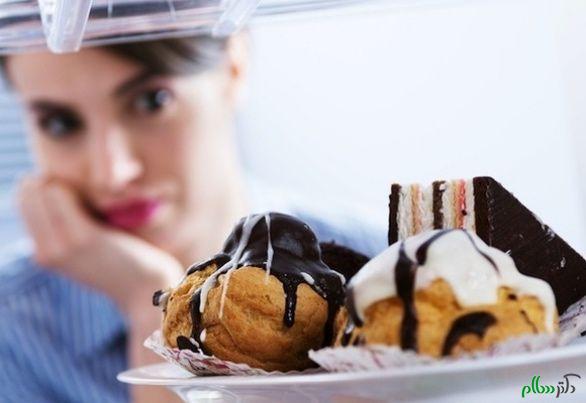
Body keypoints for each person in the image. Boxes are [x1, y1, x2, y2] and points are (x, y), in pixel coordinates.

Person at [0, 34, 384, 403]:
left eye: (151, 101)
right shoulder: (14, 336)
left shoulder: (392, 267)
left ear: (233, 66)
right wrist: (150, 299)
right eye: (60, 124)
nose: (113, 172)